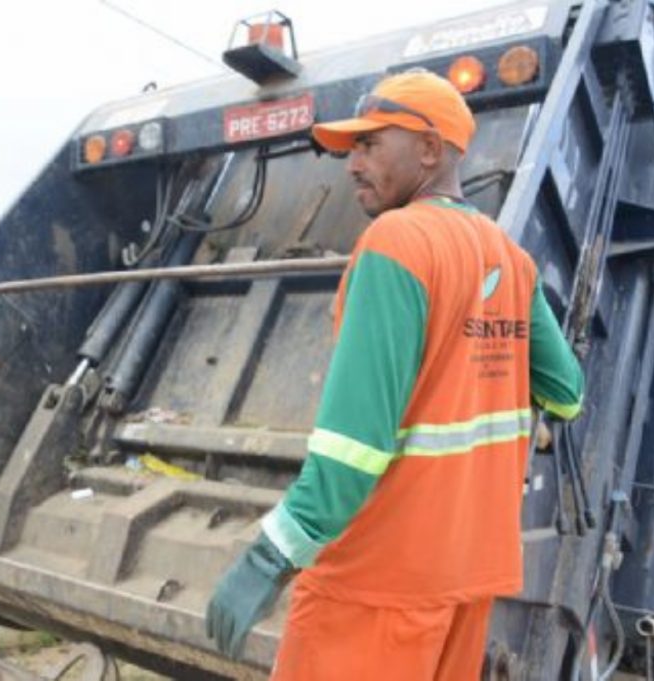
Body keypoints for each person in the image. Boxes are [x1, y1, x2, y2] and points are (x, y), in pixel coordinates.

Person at [205, 71, 585, 679]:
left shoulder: (396, 241)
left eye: (370, 144)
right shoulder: (511, 260)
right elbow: (566, 393)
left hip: (377, 582)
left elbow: (354, 448)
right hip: (465, 580)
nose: (352, 164)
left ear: (429, 149)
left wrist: (270, 556)